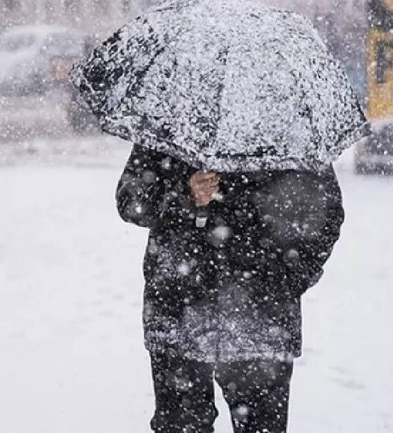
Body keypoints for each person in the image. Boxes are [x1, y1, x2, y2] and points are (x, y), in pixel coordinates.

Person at [116, 145, 344, 433]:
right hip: (179, 311)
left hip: (261, 320)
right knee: (181, 426)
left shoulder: (287, 127)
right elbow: (130, 201)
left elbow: (326, 213)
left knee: (260, 427)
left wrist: (287, 279)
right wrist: (183, 193)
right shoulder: (172, 122)